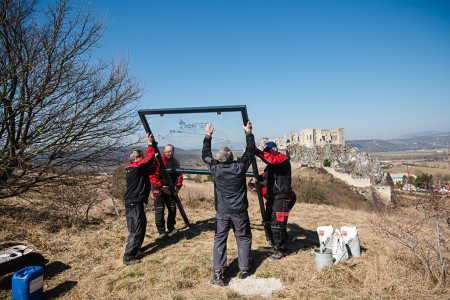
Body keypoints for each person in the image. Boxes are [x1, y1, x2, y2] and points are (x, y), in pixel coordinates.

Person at [202, 121, 255, 285]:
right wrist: (248, 132)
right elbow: (250, 151)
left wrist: (208, 136)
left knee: (219, 238)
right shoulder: (239, 167)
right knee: (243, 237)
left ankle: (218, 273)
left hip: (222, 211)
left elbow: (205, 155)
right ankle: (244, 269)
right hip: (239, 210)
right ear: (232, 158)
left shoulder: (215, 169)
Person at [123, 133, 157, 266]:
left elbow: (151, 168)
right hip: (133, 203)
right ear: (137, 159)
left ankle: (135, 249)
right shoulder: (134, 167)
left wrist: (155, 159)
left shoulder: (138, 170)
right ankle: (128, 257)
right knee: (136, 229)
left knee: (141, 226)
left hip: (136, 202)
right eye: (141, 157)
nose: (143, 158)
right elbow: (147, 161)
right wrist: (150, 144)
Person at [256, 141, 294, 259]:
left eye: (269, 151)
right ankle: (275, 242)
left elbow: (272, 160)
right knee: (268, 221)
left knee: (278, 224)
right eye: (266, 152)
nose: (267, 154)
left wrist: (257, 151)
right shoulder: (270, 168)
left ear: (275, 149)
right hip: (273, 198)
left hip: (282, 198)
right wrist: (257, 180)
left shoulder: (282, 159)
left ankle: (280, 249)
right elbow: (265, 178)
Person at [150, 144, 183, 239]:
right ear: (164, 151)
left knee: (172, 209)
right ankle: (161, 232)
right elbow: (152, 176)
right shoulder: (158, 160)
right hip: (159, 189)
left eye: (171, 151)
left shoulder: (175, 162)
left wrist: (177, 188)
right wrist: (161, 186)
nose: (170, 153)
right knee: (160, 210)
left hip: (171, 189)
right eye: (168, 151)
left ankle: (171, 228)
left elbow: (179, 176)